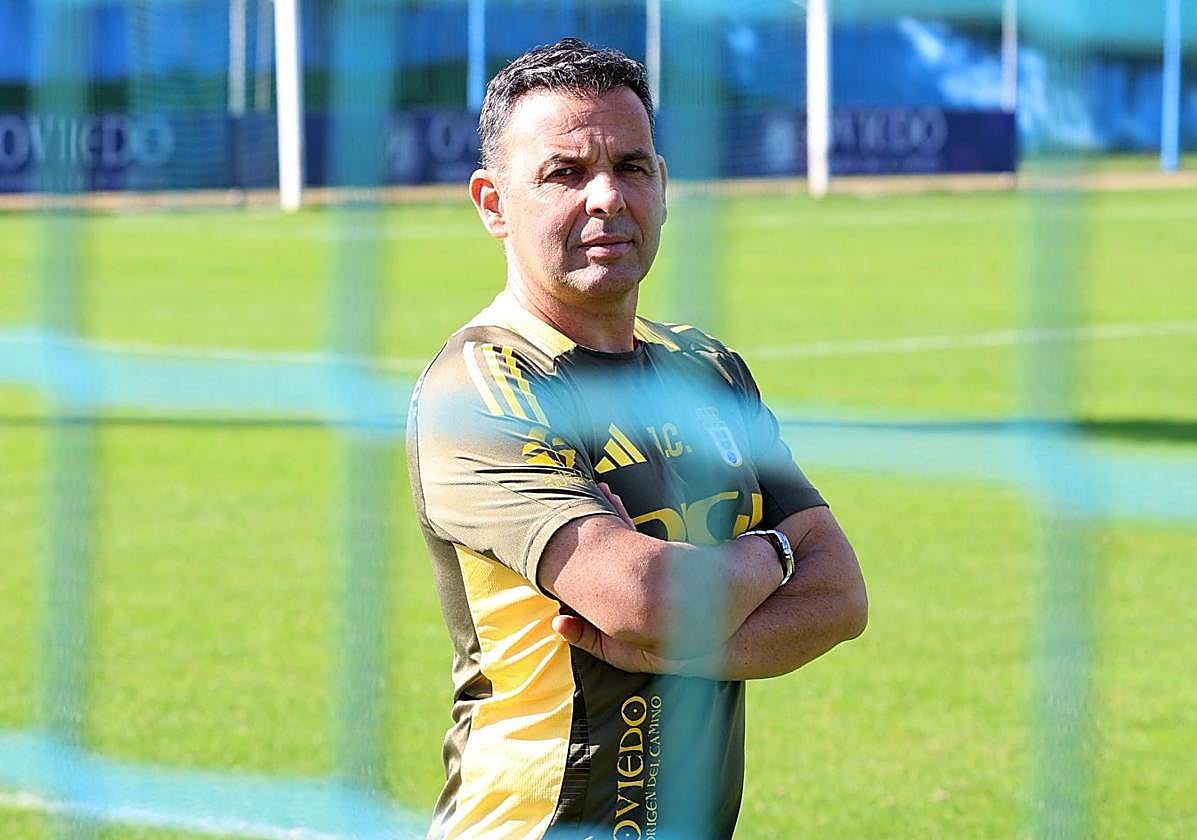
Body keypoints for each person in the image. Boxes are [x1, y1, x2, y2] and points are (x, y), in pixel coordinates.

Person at [407, 37, 867, 840]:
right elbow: (643, 598)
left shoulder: (705, 368)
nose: (605, 198)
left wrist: (670, 651)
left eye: (629, 166)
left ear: (661, 185)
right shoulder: (483, 388)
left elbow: (838, 598)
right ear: (491, 202)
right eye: (563, 173)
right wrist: (772, 554)